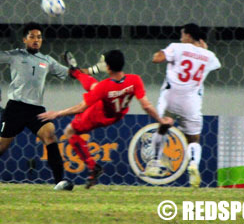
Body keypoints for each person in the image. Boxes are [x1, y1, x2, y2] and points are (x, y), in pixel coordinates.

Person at [38, 50, 173, 189]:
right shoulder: (135, 79)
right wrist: (160, 120)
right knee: (94, 86)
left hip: (100, 115)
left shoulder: (105, 86)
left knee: (70, 131)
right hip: (118, 114)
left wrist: (57, 113)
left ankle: (93, 166)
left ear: (108, 67)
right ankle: (76, 72)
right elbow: (146, 105)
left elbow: (81, 107)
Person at [0, 22, 73, 191]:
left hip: (36, 109)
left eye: (39, 37)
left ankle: (59, 181)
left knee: (50, 135)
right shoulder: (15, 55)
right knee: (1, 146)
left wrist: (93, 70)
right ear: (24, 39)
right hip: (15, 108)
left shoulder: (47, 60)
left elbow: (70, 73)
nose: (36, 40)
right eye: (32, 37)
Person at [145, 23, 221, 188]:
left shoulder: (177, 47)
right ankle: (193, 164)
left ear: (188, 35)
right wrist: (203, 49)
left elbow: (156, 59)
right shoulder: (209, 55)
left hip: (170, 97)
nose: (181, 37)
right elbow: (216, 65)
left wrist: (161, 53)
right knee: (193, 139)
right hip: (191, 102)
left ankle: (155, 161)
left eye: (182, 34)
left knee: (163, 127)